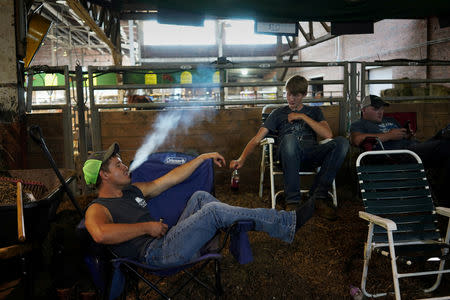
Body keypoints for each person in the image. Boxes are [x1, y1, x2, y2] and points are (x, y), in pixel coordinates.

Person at [82, 143, 314, 268]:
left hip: (166, 239)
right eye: (118, 165)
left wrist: (202, 157)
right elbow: (100, 234)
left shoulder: (132, 190)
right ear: (104, 175)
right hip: (156, 254)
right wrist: (146, 228)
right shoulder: (97, 208)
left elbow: (170, 179)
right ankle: (286, 223)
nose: (124, 167)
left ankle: (232, 223)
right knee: (213, 211)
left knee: (201, 197)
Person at [230, 75, 349, 220]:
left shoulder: (314, 112)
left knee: (342, 142)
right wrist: (241, 158)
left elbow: (328, 134)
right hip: (288, 155)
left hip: (311, 154)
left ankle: (318, 197)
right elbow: (257, 139)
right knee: (290, 139)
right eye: (288, 93)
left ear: (304, 95)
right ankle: (293, 201)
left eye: (295, 95)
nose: (290, 98)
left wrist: (302, 117)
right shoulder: (277, 113)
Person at [350, 94, 450, 204]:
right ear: (363, 110)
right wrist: (389, 135)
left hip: (413, 148)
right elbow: (357, 139)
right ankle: (443, 198)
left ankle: (445, 132)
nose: (380, 112)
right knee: (444, 146)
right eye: (375, 108)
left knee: (444, 140)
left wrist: (407, 135)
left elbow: (401, 136)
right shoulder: (359, 124)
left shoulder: (391, 120)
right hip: (398, 154)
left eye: (382, 108)